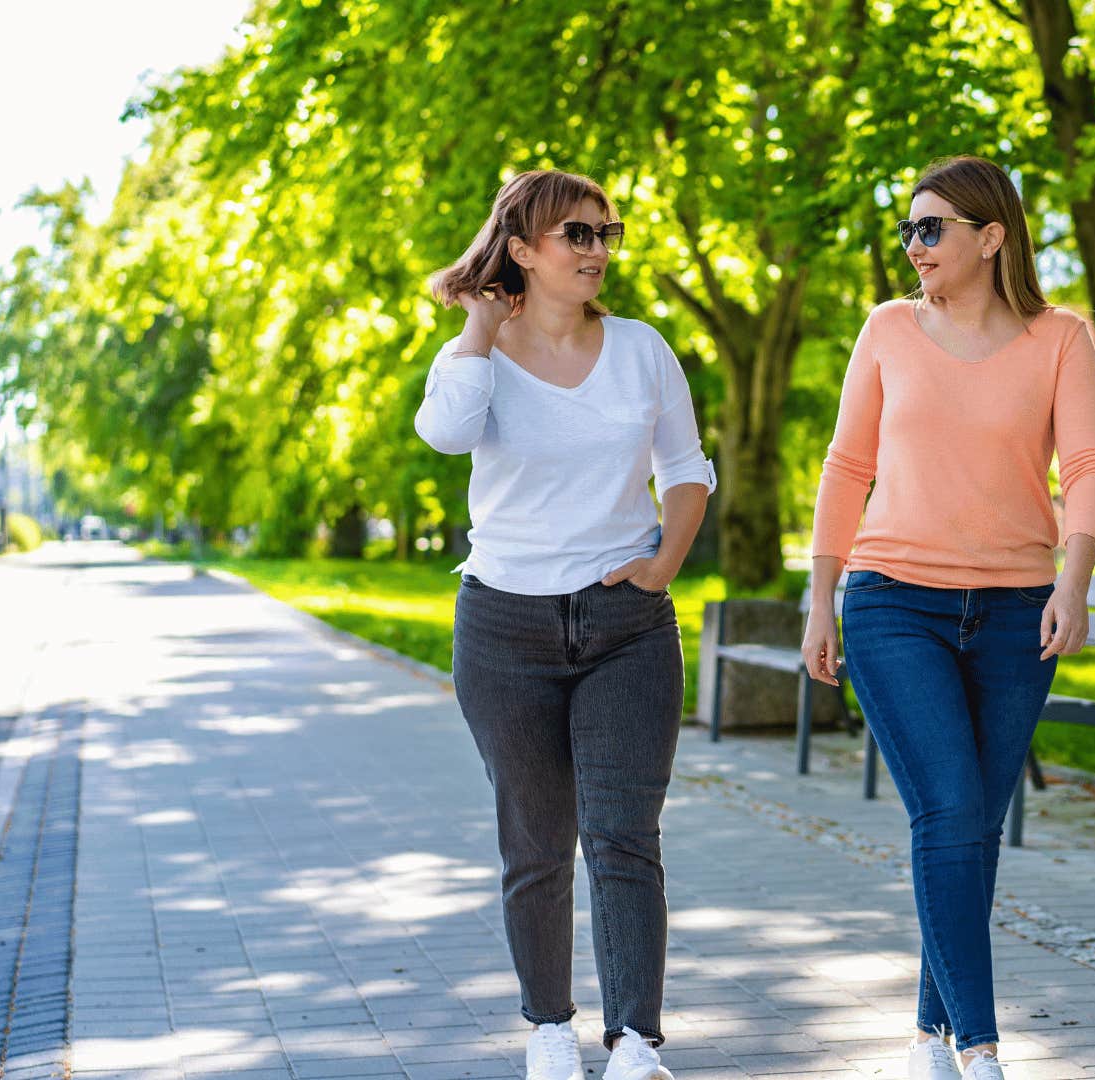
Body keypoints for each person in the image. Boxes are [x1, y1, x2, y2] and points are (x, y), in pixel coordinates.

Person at [802, 156, 1095, 1079]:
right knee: (947, 808)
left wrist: (1076, 580)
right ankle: (980, 1048)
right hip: (895, 604)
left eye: (931, 227)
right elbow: (844, 467)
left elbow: (1089, 465)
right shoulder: (889, 329)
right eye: (908, 229)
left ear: (992, 236)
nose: (915, 245)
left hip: (1020, 613)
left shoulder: (1061, 337)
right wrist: (821, 598)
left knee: (977, 825)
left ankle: (930, 1032)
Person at [416, 169, 714, 1080]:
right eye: (575, 235)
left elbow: (687, 468)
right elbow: (445, 435)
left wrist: (663, 564)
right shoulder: (478, 355)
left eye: (604, 233)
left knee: (625, 835)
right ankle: (549, 1027)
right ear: (522, 250)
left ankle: (635, 1041)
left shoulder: (639, 348)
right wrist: (480, 324)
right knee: (535, 841)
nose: (595, 250)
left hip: (626, 623)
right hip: (505, 628)